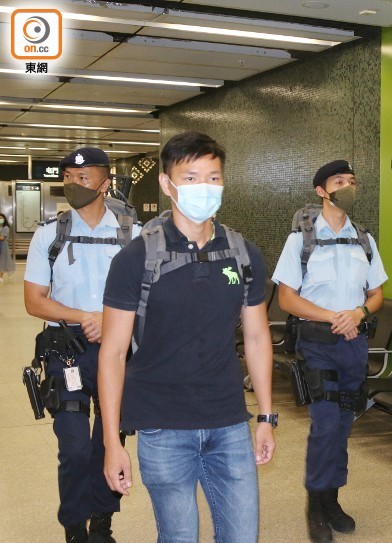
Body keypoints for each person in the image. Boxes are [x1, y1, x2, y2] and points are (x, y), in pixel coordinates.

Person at [98, 132, 275, 543]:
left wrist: (266, 417)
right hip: (163, 427)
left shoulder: (244, 253)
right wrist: (112, 441)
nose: (205, 188)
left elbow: (256, 337)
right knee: (178, 537)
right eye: (191, 177)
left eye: (214, 178)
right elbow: (113, 352)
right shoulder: (136, 257)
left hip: (228, 423)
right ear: (167, 184)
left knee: (242, 537)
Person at [23, 147, 141, 543]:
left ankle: (103, 523)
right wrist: (85, 317)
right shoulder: (49, 234)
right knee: (73, 448)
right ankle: (75, 526)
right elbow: (34, 299)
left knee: (107, 444)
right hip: (64, 352)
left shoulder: (133, 236)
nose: (73, 184)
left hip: (115, 353)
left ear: (106, 183)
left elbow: (148, 294)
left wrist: (112, 322)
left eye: (84, 177)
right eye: (68, 177)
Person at [273, 159, 388, 543]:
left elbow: (377, 294)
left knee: (343, 424)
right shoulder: (300, 240)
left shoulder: (364, 240)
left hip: (354, 344)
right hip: (317, 344)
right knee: (324, 425)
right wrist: (330, 317)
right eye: (340, 181)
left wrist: (358, 313)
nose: (348, 186)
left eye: (352, 180)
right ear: (321, 190)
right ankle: (316, 505)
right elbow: (287, 298)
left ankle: (331, 499)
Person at [0, 212, 13, 281]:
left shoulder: (6, 228)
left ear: (4, 219)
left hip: (2, 246)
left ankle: (0, 277)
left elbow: (2, 238)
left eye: (1, 218)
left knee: (2, 261)